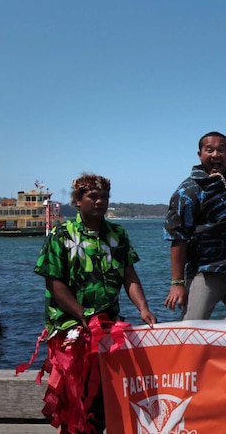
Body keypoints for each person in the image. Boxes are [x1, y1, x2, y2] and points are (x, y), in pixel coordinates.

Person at [32, 173, 157, 433]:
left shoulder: (117, 234)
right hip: (71, 325)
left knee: (104, 394)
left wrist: (143, 308)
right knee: (77, 396)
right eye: (93, 197)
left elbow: (129, 275)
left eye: (104, 197)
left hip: (106, 324)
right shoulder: (61, 234)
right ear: (78, 200)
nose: (100, 202)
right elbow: (54, 284)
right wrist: (83, 315)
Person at [164, 103, 226, 321]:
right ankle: (185, 354)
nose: (215, 154)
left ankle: (224, 331)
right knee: (193, 325)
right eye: (209, 150)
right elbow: (178, 239)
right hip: (207, 272)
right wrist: (177, 283)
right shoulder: (188, 191)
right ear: (200, 154)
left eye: (221, 149)